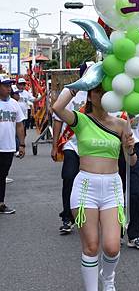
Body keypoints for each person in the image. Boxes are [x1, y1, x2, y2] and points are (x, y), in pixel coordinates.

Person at [52, 83, 135, 291]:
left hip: (112, 188)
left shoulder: (122, 123)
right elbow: (57, 108)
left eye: (106, 91)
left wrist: (131, 147)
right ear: (89, 95)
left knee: (112, 247)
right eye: (97, 90)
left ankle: (108, 279)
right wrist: (78, 84)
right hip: (85, 187)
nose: (102, 95)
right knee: (91, 246)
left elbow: (131, 161)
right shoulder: (82, 120)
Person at [51, 63, 90, 234]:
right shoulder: (71, 93)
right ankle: (67, 217)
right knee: (68, 177)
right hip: (72, 145)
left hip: (91, 148)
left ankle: (88, 215)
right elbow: (58, 119)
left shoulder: (100, 94)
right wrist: (54, 146)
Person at [120, 113, 139, 250]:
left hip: (134, 149)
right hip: (113, 149)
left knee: (137, 192)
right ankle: (116, 232)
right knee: (116, 194)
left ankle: (135, 235)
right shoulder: (107, 101)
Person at [0, 76, 26, 215]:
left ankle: (1, 203)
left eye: (10, 85)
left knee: (3, 175)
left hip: (8, 146)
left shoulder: (14, 104)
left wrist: (22, 144)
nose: (9, 88)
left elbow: (20, 125)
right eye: (5, 85)